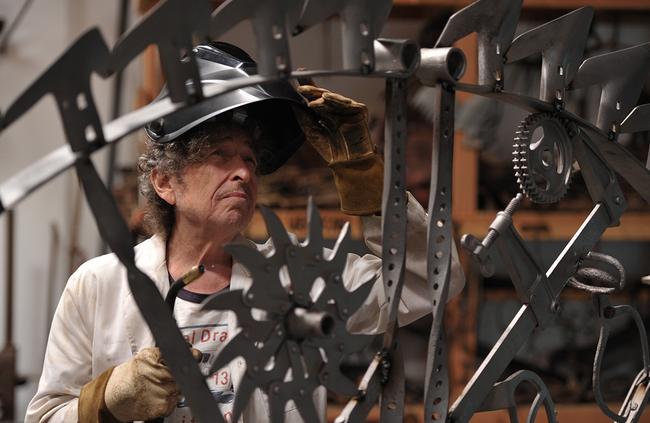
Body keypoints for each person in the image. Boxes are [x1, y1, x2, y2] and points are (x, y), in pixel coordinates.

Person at [26, 42, 464, 423]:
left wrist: (367, 180)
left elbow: (429, 281)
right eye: (219, 155)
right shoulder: (97, 285)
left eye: (250, 160)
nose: (242, 173)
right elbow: (45, 417)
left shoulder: (297, 277)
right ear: (165, 182)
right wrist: (107, 400)